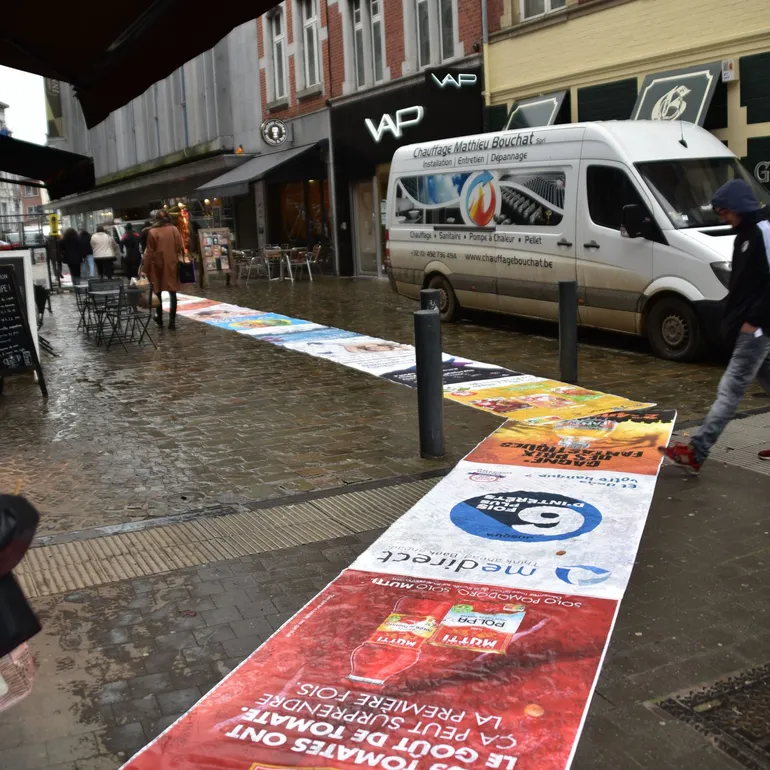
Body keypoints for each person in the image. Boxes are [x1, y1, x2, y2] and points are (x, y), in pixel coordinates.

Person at [660, 179, 770, 471]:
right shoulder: (744, 235)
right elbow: (742, 286)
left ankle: (696, 452)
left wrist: (752, 321)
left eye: (724, 212)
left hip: (756, 330)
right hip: (750, 327)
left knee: (730, 391)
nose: (723, 218)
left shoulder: (762, 232)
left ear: (738, 207)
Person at [140, 209, 183, 329]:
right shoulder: (174, 230)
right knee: (172, 292)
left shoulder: (152, 232)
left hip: (157, 265)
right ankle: (172, 321)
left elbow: (149, 252)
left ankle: (159, 317)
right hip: (172, 264)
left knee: (158, 292)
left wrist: (144, 268)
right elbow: (179, 246)